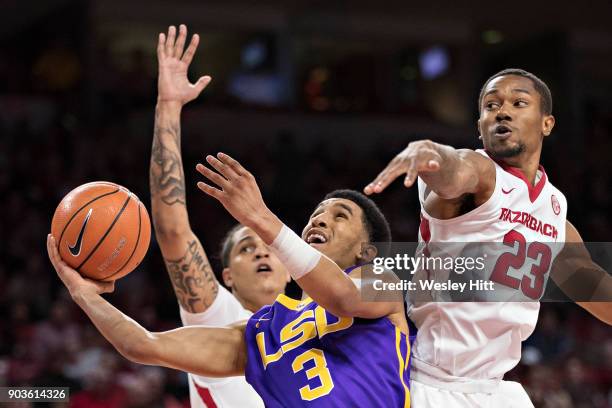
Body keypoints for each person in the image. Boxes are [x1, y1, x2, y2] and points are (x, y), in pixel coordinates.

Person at [47, 161, 411, 407]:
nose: (318, 220)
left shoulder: (385, 283)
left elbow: (343, 296)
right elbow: (143, 345)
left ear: (367, 252)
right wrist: (82, 294)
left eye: (339, 216)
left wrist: (259, 216)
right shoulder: (262, 332)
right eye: (315, 215)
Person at [364, 68, 612, 407]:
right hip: (433, 382)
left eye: (518, 102)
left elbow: (592, 285)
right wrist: (430, 152)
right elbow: (454, 171)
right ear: (480, 127)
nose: (503, 111)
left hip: (496, 390)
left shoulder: (553, 209)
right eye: (490, 106)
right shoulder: (479, 172)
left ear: (547, 124)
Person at [149, 24, 289, 407]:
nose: (262, 253)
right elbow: (173, 232)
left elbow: (407, 284)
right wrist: (169, 108)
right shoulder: (219, 315)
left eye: (269, 247)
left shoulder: (323, 317)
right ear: (226, 277)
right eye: (246, 248)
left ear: (293, 266)